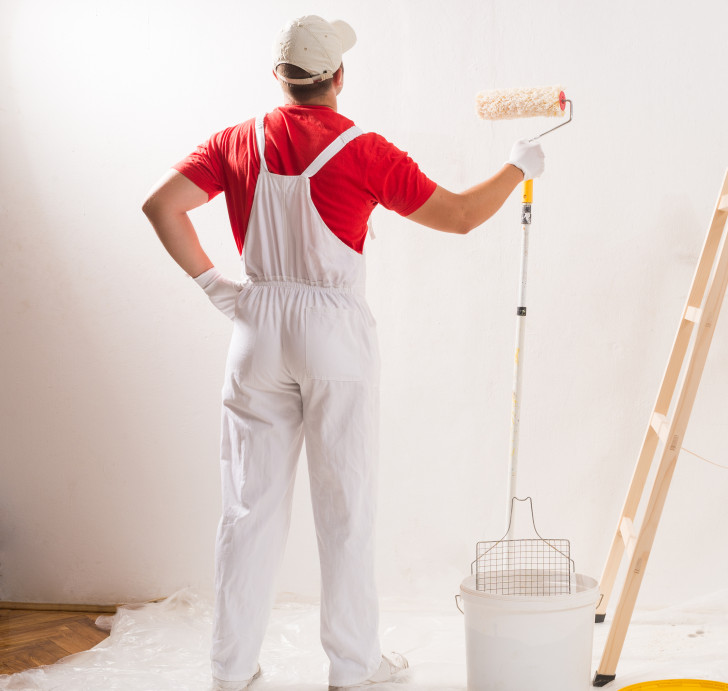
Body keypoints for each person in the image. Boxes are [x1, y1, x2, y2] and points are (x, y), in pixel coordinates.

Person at [141, 15, 544, 691]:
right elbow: (463, 216)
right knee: (346, 505)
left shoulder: (236, 141)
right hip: (332, 333)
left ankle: (230, 668)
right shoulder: (363, 149)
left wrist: (220, 290)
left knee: (248, 507)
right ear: (338, 78)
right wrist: (518, 165)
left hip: (256, 328)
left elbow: (161, 206)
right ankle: (355, 668)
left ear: (280, 78)